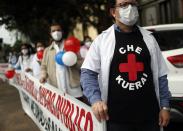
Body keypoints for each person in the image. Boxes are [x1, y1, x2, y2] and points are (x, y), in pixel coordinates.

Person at [80, 0, 171, 131]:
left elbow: (161, 75)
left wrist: (165, 107)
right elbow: (88, 73)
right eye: (123, 5)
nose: (130, 8)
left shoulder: (149, 39)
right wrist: (95, 100)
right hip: (116, 120)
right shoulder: (101, 41)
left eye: (133, 4)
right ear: (113, 12)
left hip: (150, 117)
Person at [40, 22, 83, 99]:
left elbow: (81, 63)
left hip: (74, 88)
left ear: (62, 32)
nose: (56, 32)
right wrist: (43, 76)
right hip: (57, 89)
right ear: (50, 33)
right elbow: (44, 67)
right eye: (53, 31)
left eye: (58, 30)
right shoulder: (47, 50)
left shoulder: (71, 46)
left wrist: (74, 62)